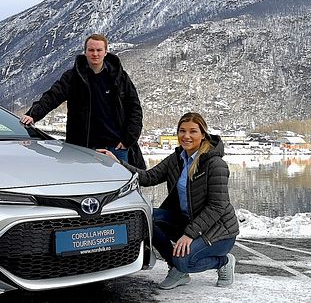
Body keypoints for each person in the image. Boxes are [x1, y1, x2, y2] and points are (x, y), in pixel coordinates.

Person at [99, 112, 239, 290]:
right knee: (148, 218)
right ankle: (176, 269)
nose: (186, 136)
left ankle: (223, 261)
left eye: (193, 131)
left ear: (203, 134)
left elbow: (217, 207)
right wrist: (118, 162)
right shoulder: (178, 158)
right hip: (189, 222)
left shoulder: (215, 164)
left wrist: (190, 234)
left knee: (184, 260)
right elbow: (149, 177)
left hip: (218, 231)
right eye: (182, 131)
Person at [20, 34, 146, 169]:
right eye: (91, 50)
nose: (95, 54)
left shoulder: (119, 77)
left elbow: (135, 109)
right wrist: (33, 114)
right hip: (84, 148)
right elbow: (52, 97)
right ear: (85, 52)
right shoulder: (73, 77)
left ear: (106, 52)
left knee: (120, 187)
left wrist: (128, 139)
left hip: (116, 148)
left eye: (99, 50)